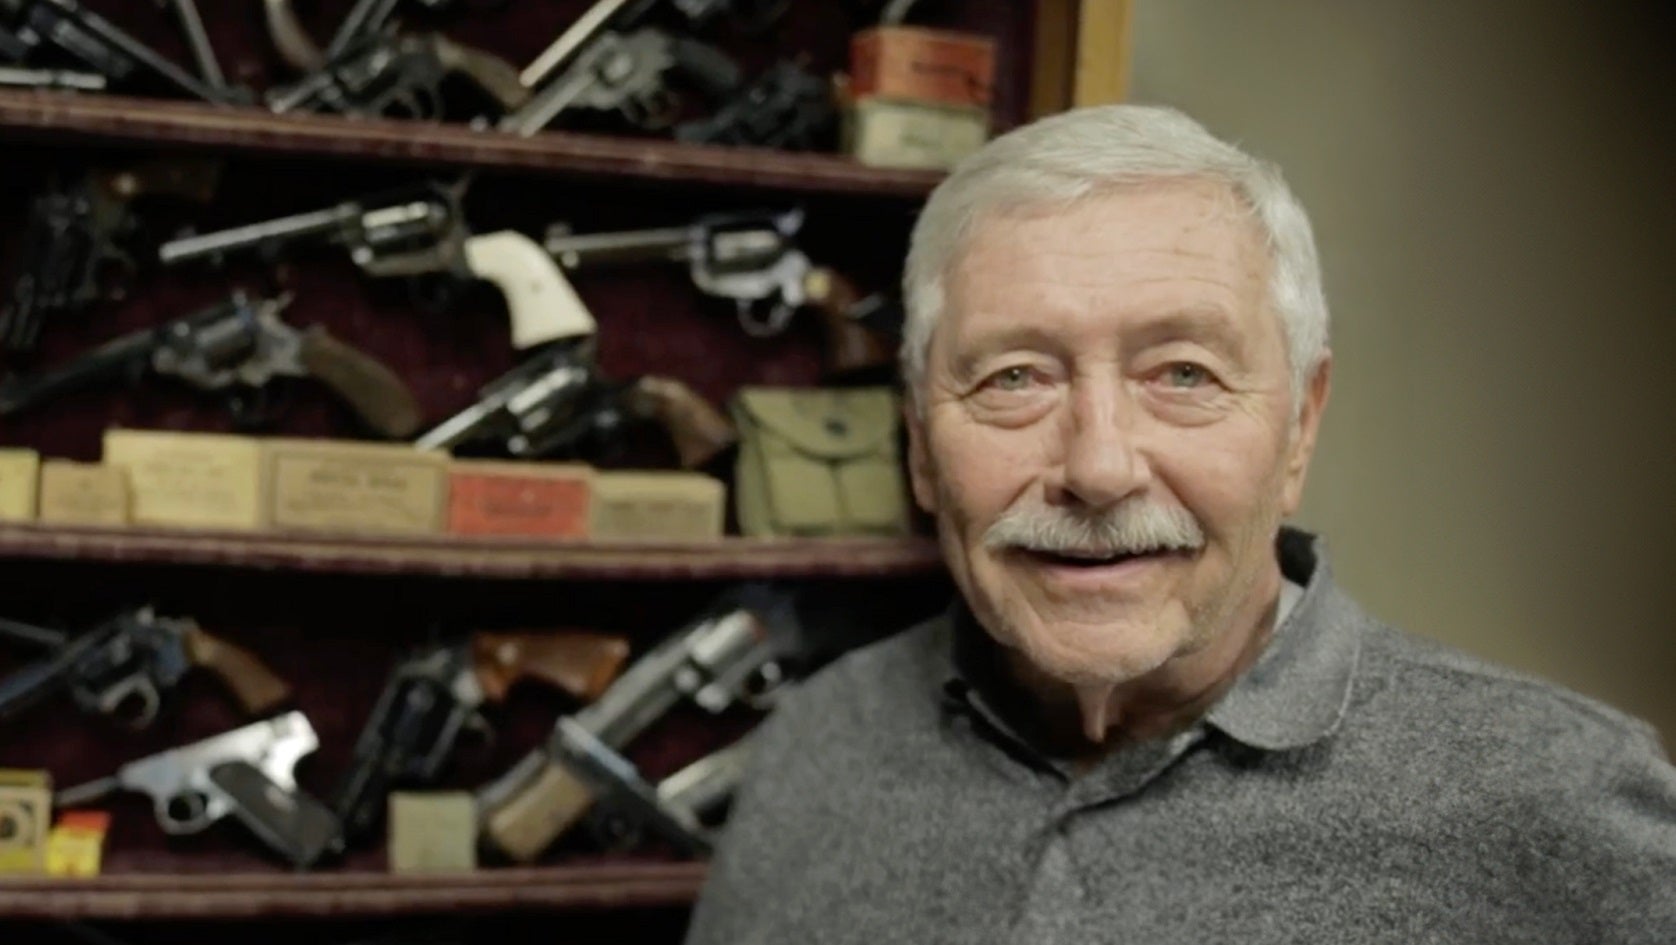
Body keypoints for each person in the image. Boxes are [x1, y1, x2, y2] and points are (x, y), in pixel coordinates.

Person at [682, 104, 1676, 943]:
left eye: (1184, 375)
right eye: (1013, 378)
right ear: (918, 449)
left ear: (1298, 428)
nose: (1097, 468)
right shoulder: (816, 743)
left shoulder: (1556, 803)